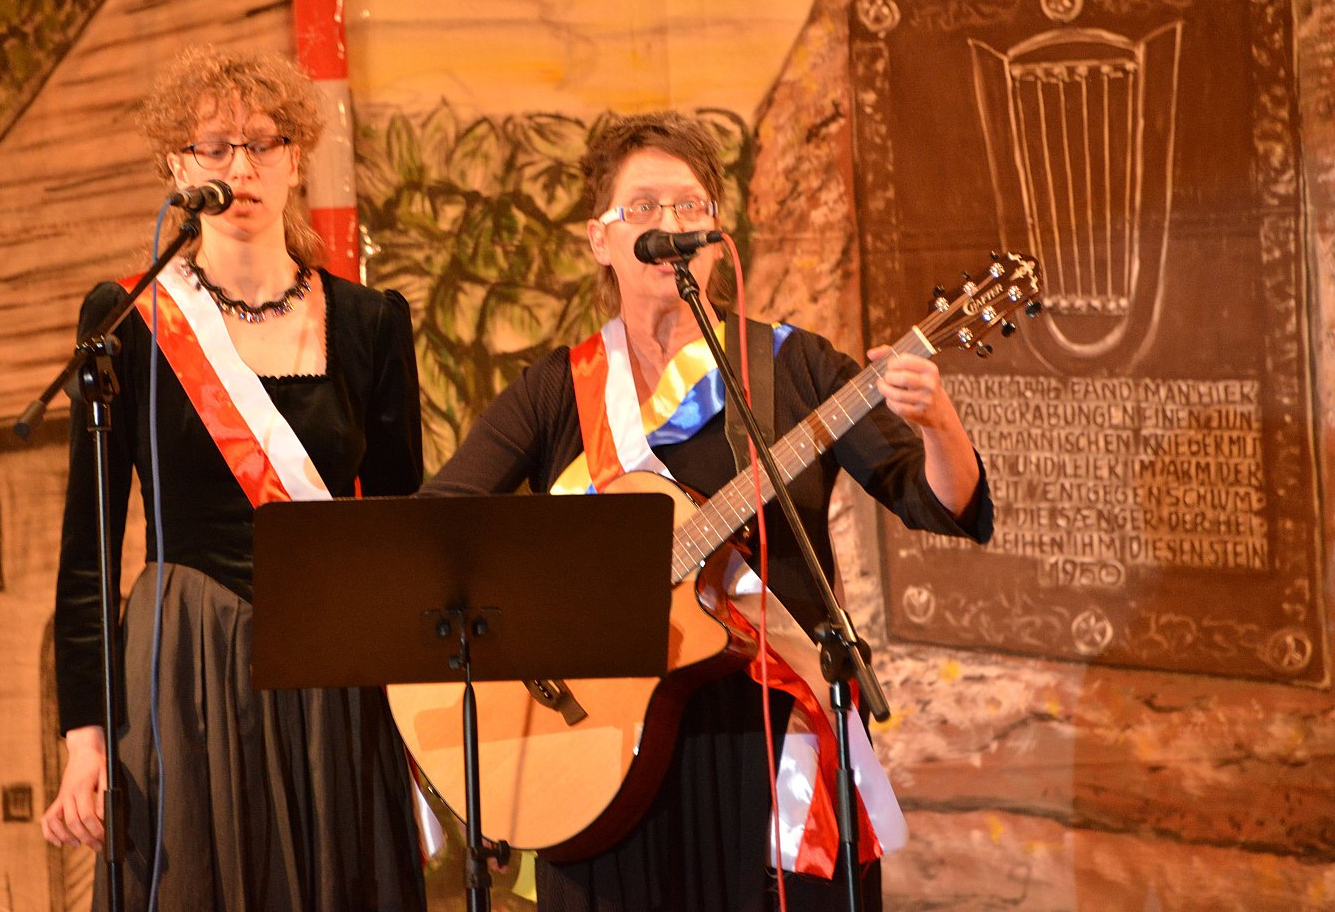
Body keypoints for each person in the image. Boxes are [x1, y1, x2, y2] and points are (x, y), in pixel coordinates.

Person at [419, 111, 993, 911]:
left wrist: (938, 422)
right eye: (644, 207)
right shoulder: (557, 391)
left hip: (767, 734)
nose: (671, 225)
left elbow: (937, 503)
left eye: (690, 206)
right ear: (600, 239)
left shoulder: (794, 367)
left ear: (718, 237)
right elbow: (437, 533)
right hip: (600, 750)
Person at [40, 45, 428, 912]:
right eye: (214, 146)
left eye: (263, 143)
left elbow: (402, 534)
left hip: (333, 667)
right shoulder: (128, 320)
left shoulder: (371, 321)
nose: (240, 168)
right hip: (185, 667)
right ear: (178, 166)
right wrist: (86, 740)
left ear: (297, 157)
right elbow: (87, 553)